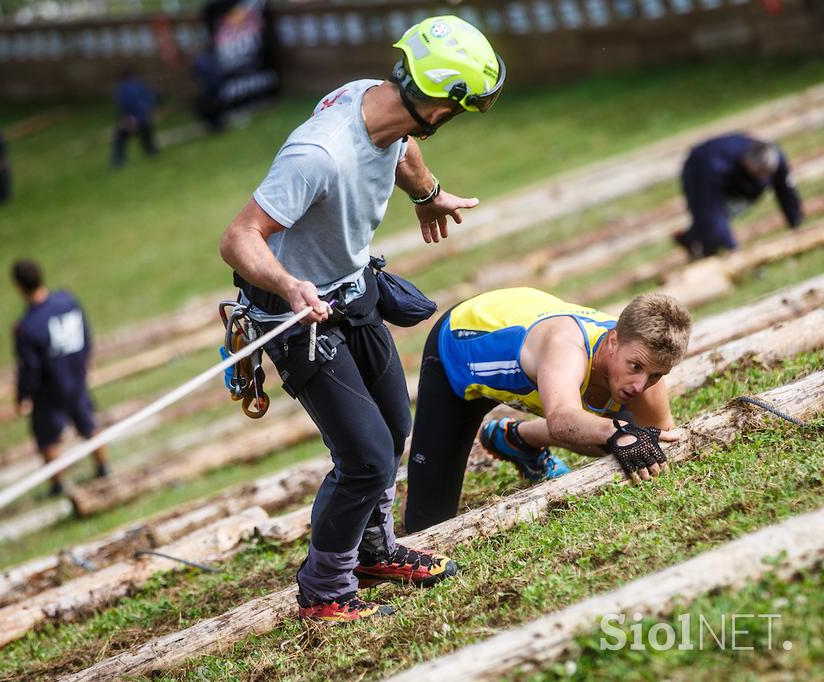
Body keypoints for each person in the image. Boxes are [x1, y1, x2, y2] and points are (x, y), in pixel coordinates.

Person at [219, 16, 505, 622]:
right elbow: (240, 237)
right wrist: (288, 283)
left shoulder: (378, 99)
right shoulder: (318, 154)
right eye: (459, 108)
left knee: (394, 427)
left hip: (352, 292)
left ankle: (373, 550)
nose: (456, 118)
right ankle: (324, 589)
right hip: (294, 313)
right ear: (438, 103)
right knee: (368, 458)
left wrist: (428, 195)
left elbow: (401, 147)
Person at [403, 288, 692, 533]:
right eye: (635, 367)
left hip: (535, 351)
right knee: (427, 523)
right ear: (614, 341)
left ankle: (516, 439)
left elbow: (661, 442)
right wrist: (617, 432)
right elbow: (562, 419)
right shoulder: (567, 347)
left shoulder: (643, 362)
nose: (642, 385)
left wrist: (628, 435)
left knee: (635, 445)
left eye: (656, 375)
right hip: (460, 349)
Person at [11, 259, 109, 496]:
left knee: (47, 438)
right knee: (88, 422)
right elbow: (85, 333)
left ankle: (57, 483)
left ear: (19, 286)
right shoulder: (67, 300)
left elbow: (30, 367)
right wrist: (85, 361)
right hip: (76, 376)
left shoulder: (26, 326)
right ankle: (103, 466)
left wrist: (24, 394)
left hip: (49, 388)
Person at [673, 134, 803, 259]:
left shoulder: (774, 156)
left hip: (730, 172)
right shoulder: (714, 169)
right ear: (746, 164)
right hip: (698, 167)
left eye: (766, 174)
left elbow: (786, 190)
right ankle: (702, 247)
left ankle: (691, 238)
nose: (765, 178)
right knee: (708, 220)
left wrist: (796, 224)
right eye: (760, 174)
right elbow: (712, 213)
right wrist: (735, 251)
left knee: (725, 214)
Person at [111, 67, 159, 167]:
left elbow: (123, 106)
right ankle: (152, 152)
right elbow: (152, 97)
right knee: (147, 135)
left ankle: (117, 161)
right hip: (145, 118)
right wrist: (150, 110)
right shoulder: (141, 84)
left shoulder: (122, 89)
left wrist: (128, 119)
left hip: (132, 119)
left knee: (120, 139)